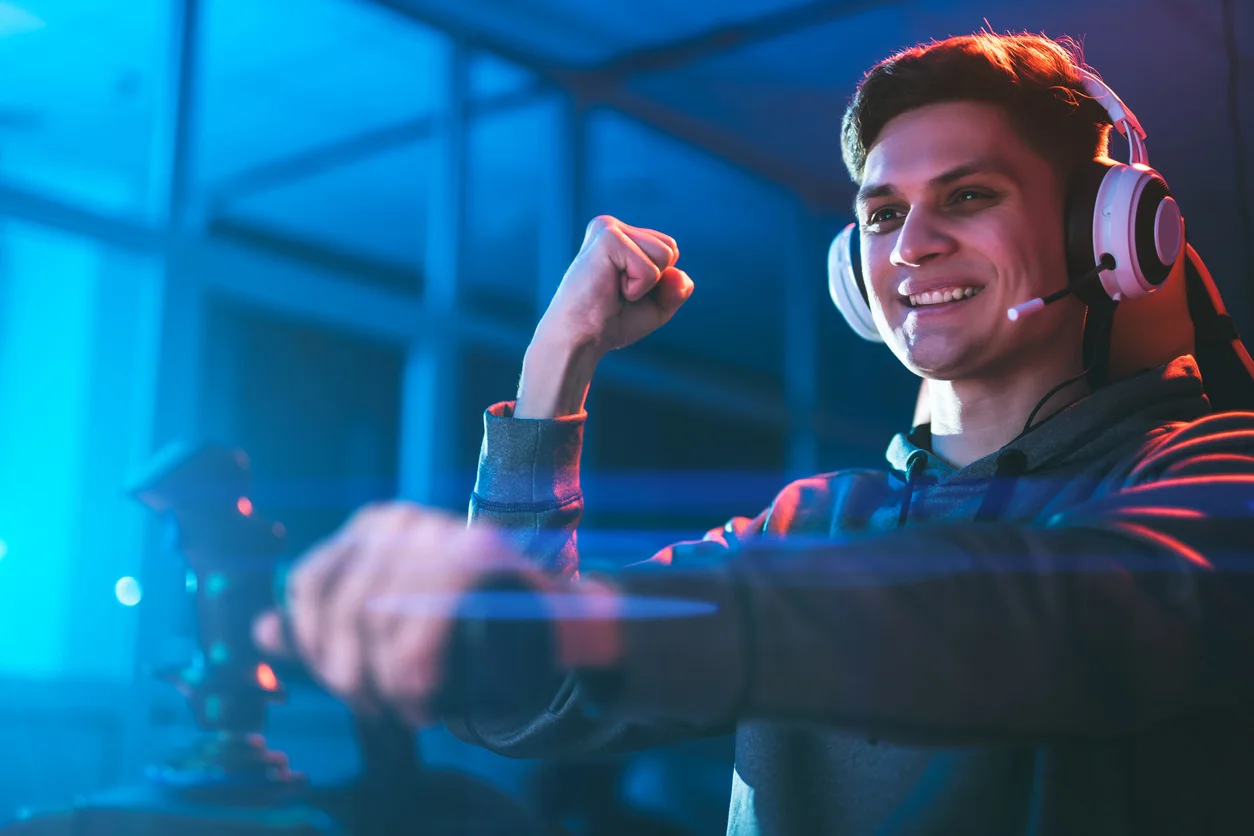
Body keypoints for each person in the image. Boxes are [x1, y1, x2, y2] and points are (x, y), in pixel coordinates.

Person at [254, 32, 1254, 835]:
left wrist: (597, 625)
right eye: (880, 213)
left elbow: (1054, 620)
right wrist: (555, 367)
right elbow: (519, 703)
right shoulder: (812, 522)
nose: (911, 246)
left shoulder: (1213, 470)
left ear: (1110, 232)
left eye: (970, 195)